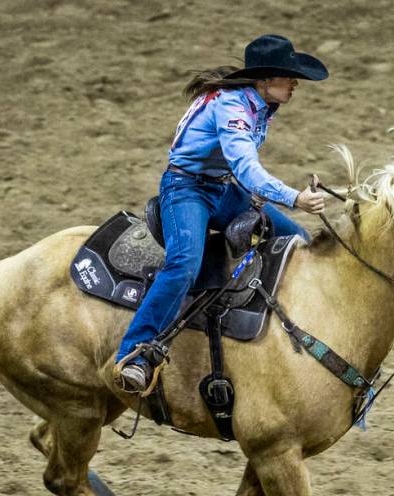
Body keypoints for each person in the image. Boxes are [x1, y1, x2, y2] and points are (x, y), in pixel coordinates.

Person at [115, 34, 329, 393]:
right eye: (288, 75)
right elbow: (247, 168)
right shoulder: (231, 108)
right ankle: (135, 355)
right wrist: (295, 198)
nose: (295, 83)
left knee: (296, 240)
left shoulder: (260, 106)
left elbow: (241, 171)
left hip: (221, 189)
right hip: (185, 189)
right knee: (184, 263)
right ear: (265, 79)